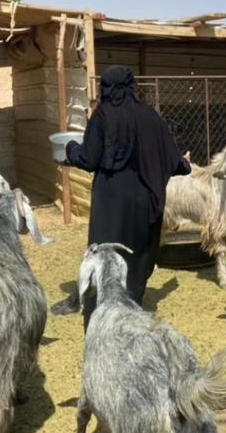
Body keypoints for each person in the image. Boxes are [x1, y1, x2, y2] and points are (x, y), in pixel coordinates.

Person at [63, 65, 190, 327]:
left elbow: (89, 159)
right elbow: (174, 159)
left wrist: (71, 148)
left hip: (110, 201)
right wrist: (183, 165)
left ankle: (102, 312)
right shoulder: (149, 116)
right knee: (138, 253)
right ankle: (132, 307)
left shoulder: (102, 116)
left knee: (106, 254)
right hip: (144, 199)